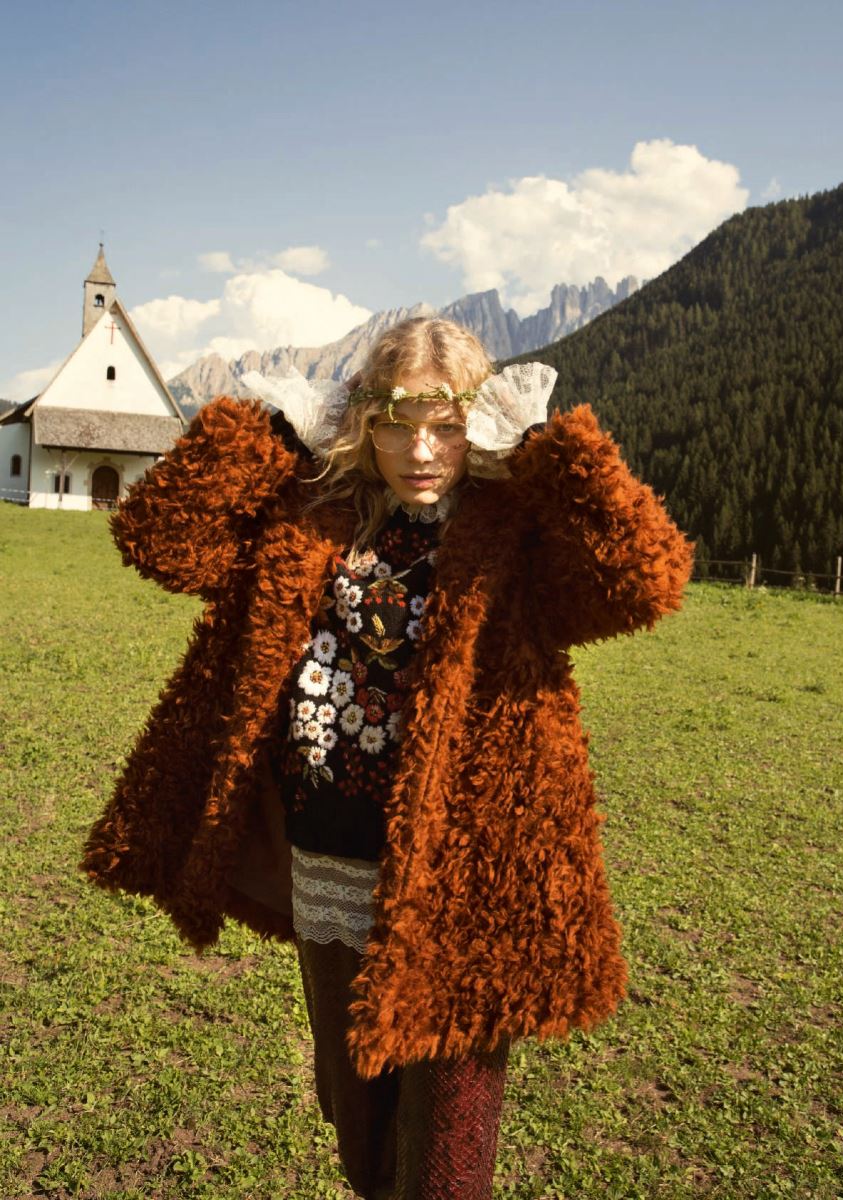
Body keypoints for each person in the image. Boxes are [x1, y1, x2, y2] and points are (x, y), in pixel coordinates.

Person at [82, 316, 693, 1199]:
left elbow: (645, 578)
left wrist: (549, 450)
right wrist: (271, 434)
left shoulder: (516, 532)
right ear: (362, 422)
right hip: (328, 859)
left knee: (448, 1150)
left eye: (448, 425)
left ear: (481, 425)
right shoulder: (314, 509)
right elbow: (158, 539)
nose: (422, 450)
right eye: (398, 424)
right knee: (357, 1121)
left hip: (464, 881)